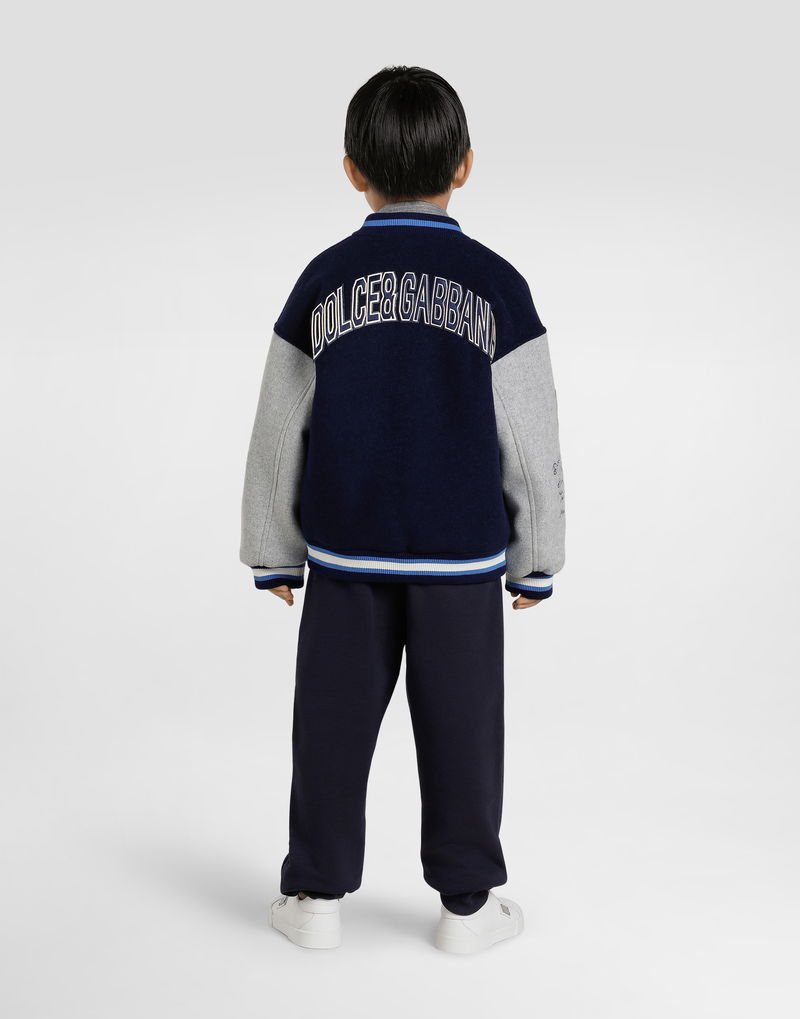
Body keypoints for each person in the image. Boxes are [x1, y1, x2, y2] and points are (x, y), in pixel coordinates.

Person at [239, 65, 566, 954]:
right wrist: (537, 555)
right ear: (465, 164)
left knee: (330, 728)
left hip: (347, 553)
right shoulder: (497, 285)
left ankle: (314, 897)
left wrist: (272, 548)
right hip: (461, 560)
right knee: (464, 730)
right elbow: (530, 435)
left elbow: (279, 428)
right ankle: (468, 907)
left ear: (352, 170)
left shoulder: (323, 280)